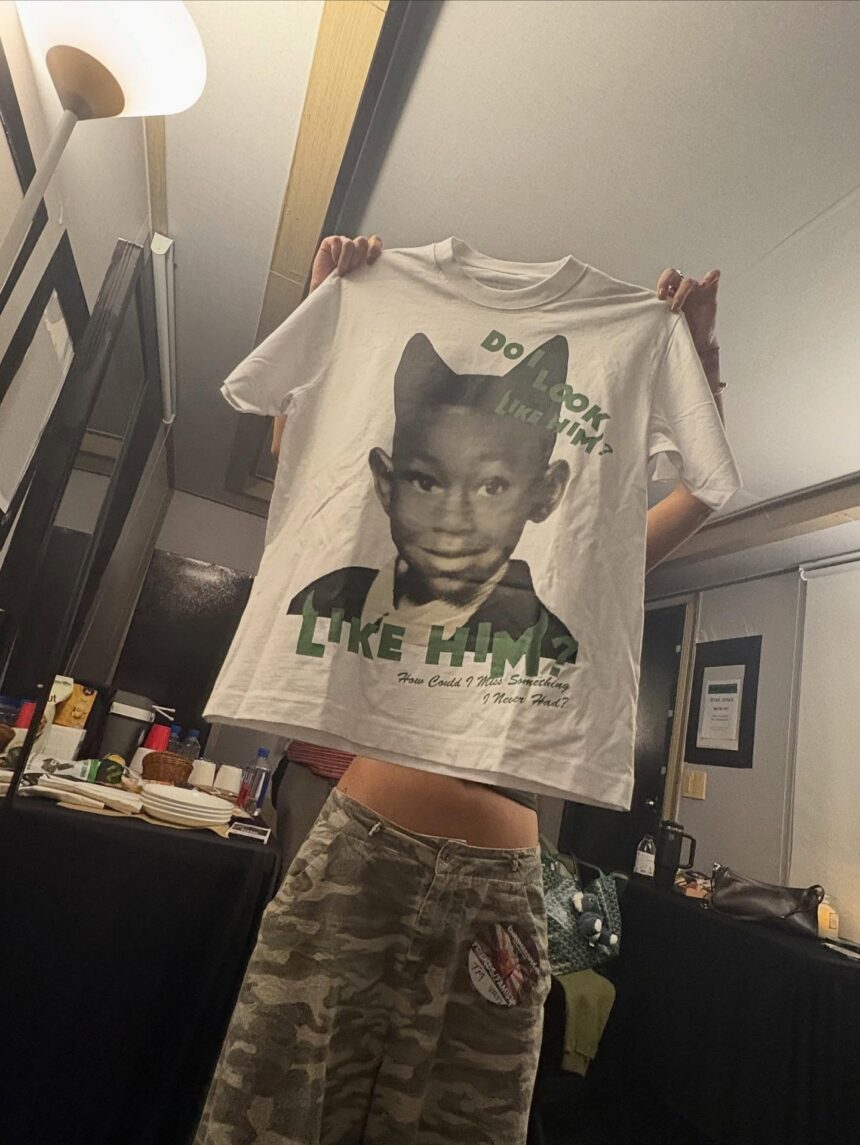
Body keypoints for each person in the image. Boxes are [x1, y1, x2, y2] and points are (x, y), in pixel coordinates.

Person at [196, 235, 725, 1145]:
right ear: (387, 482)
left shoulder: (574, 592)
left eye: (493, 485)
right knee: (270, 1117)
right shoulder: (341, 583)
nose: (455, 513)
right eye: (427, 478)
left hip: (499, 900)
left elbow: (702, 492)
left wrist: (698, 365)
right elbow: (309, 461)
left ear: (545, 494)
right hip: (358, 854)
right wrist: (331, 312)